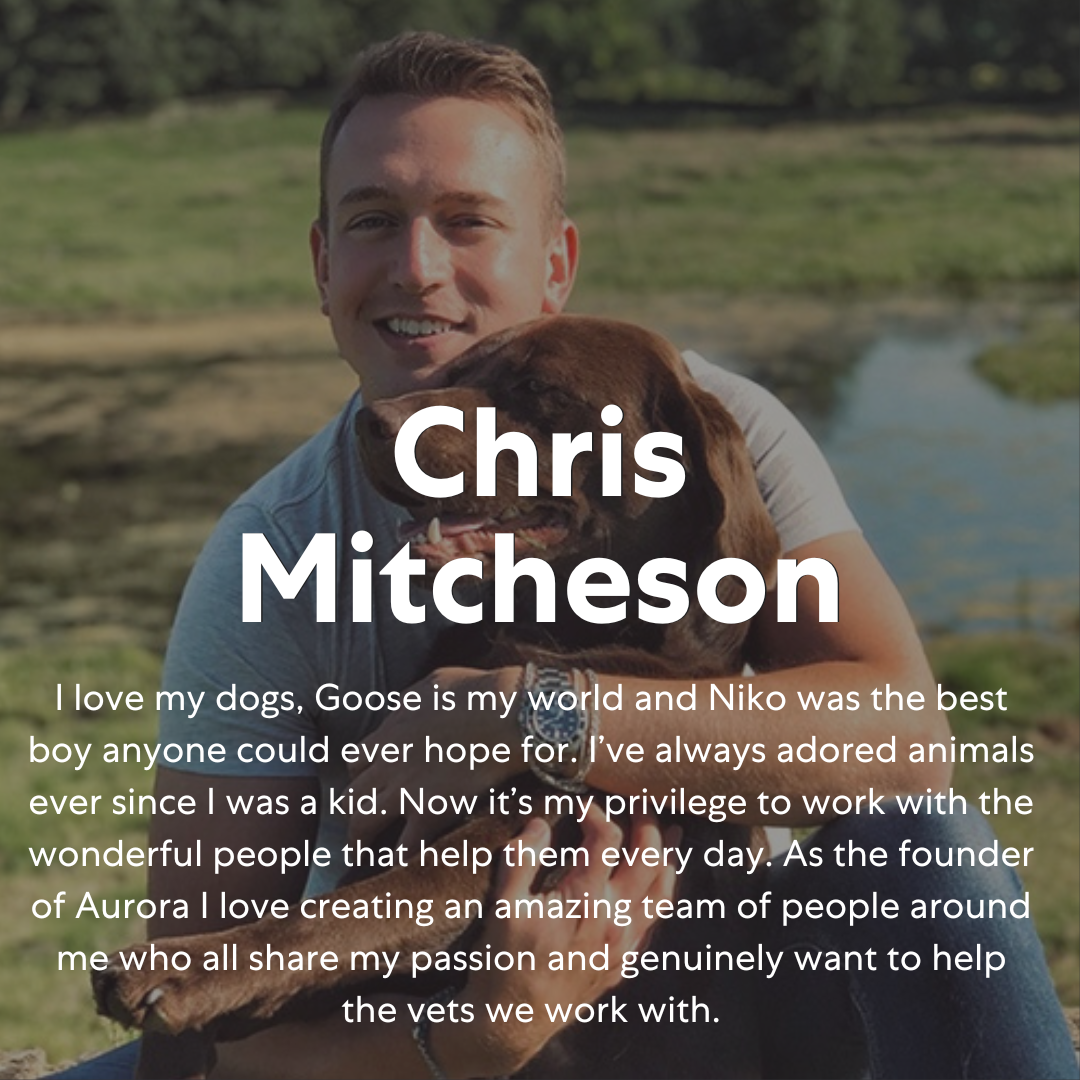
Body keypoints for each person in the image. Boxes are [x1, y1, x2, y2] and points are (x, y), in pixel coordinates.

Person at [67, 31, 1077, 1080]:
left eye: (469, 222)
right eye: (373, 221)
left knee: (924, 855)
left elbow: (903, 741)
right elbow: (182, 1032)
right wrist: (474, 1035)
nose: (418, 266)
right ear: (325, 268)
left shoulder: (696, 433)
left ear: (556, 267)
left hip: (726, 1000)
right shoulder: (275, 553)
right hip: (399, 1035)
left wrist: (521, 709)